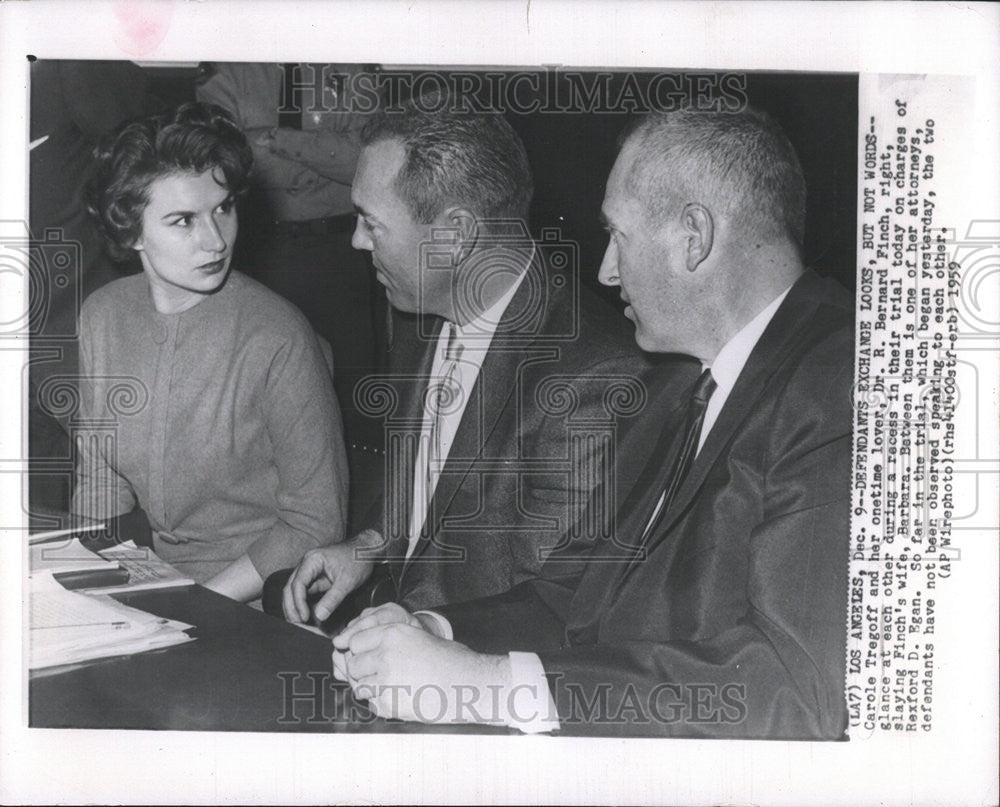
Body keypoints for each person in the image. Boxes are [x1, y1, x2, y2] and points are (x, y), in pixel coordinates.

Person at [329, 106, 854, 739]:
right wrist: (432, 635)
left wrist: (486, 685)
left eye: (618, 236)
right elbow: (569, 592)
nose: (605, 271)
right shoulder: (676, 380)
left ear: (694, 237)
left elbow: (795, 691)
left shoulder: (843, 384)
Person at [281, 95, 695, 625]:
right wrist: (367, 545)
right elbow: (433, 490)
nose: (357, 241)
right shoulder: (420, 309)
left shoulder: (593, 379)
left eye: (371, 222)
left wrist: (419, 634)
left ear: (454, 235)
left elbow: (548, 604)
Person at [71, 102, 349, 602]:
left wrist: (197, 606)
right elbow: (100, 486)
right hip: (158, 585)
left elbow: (315, 523)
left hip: (261, 597)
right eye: (183, 220)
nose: (216, 240)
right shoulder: (102, 317)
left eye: (223, 208)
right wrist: (114, 588)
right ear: (130, 230)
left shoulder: (278, 335)